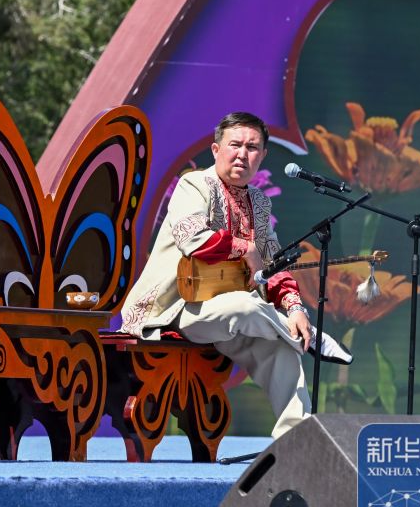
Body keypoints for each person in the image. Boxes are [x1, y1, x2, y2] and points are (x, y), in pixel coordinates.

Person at [118, 111, 351, 438]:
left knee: (281, 350)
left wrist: (296, 308)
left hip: (231, 316)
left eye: (252, 147)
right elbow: (191, 238)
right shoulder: (194, 185)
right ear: (216, 150)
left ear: (263, 155)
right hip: (175, 310)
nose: (242, 154)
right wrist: (244, 248)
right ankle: (308, 336)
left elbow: (272, 265)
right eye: (235, 145)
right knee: (245, 306)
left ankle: (296, 438)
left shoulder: (259, 202)